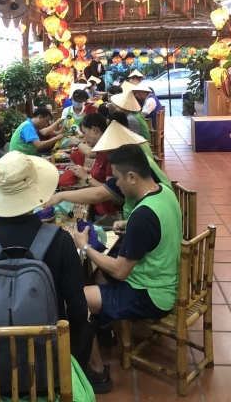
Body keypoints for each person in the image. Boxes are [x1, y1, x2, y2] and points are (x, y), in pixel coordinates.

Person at [0, 151, 93, 371]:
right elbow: (77, 310)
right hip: (48, 361)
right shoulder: (60, 240)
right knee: (86, 319)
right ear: (36, 192)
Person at [72, 144, 183, 394]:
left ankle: (97, 372)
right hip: (161, 278)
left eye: (118, 178)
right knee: (98, 275)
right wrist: (128, 226)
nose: (116, 185)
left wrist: (85, 248)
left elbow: (120, 272)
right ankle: (102, 329)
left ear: (132, 177)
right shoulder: (163, 191)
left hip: (152, 294)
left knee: (78, 299)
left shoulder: (144, 216)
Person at [44, 119, 173, 220]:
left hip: (133, 215)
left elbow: (98, 194)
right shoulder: (137, 158)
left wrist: (61, 196)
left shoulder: (125, 168)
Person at [71, 113, 117, 216]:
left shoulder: (109, 152)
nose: (84, 136)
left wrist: (86, 177)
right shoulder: (101, 148)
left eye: (84, 132)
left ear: (94, 130)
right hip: (98, 207)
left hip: (107, 214)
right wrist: (89, 171)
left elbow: (109, 192)